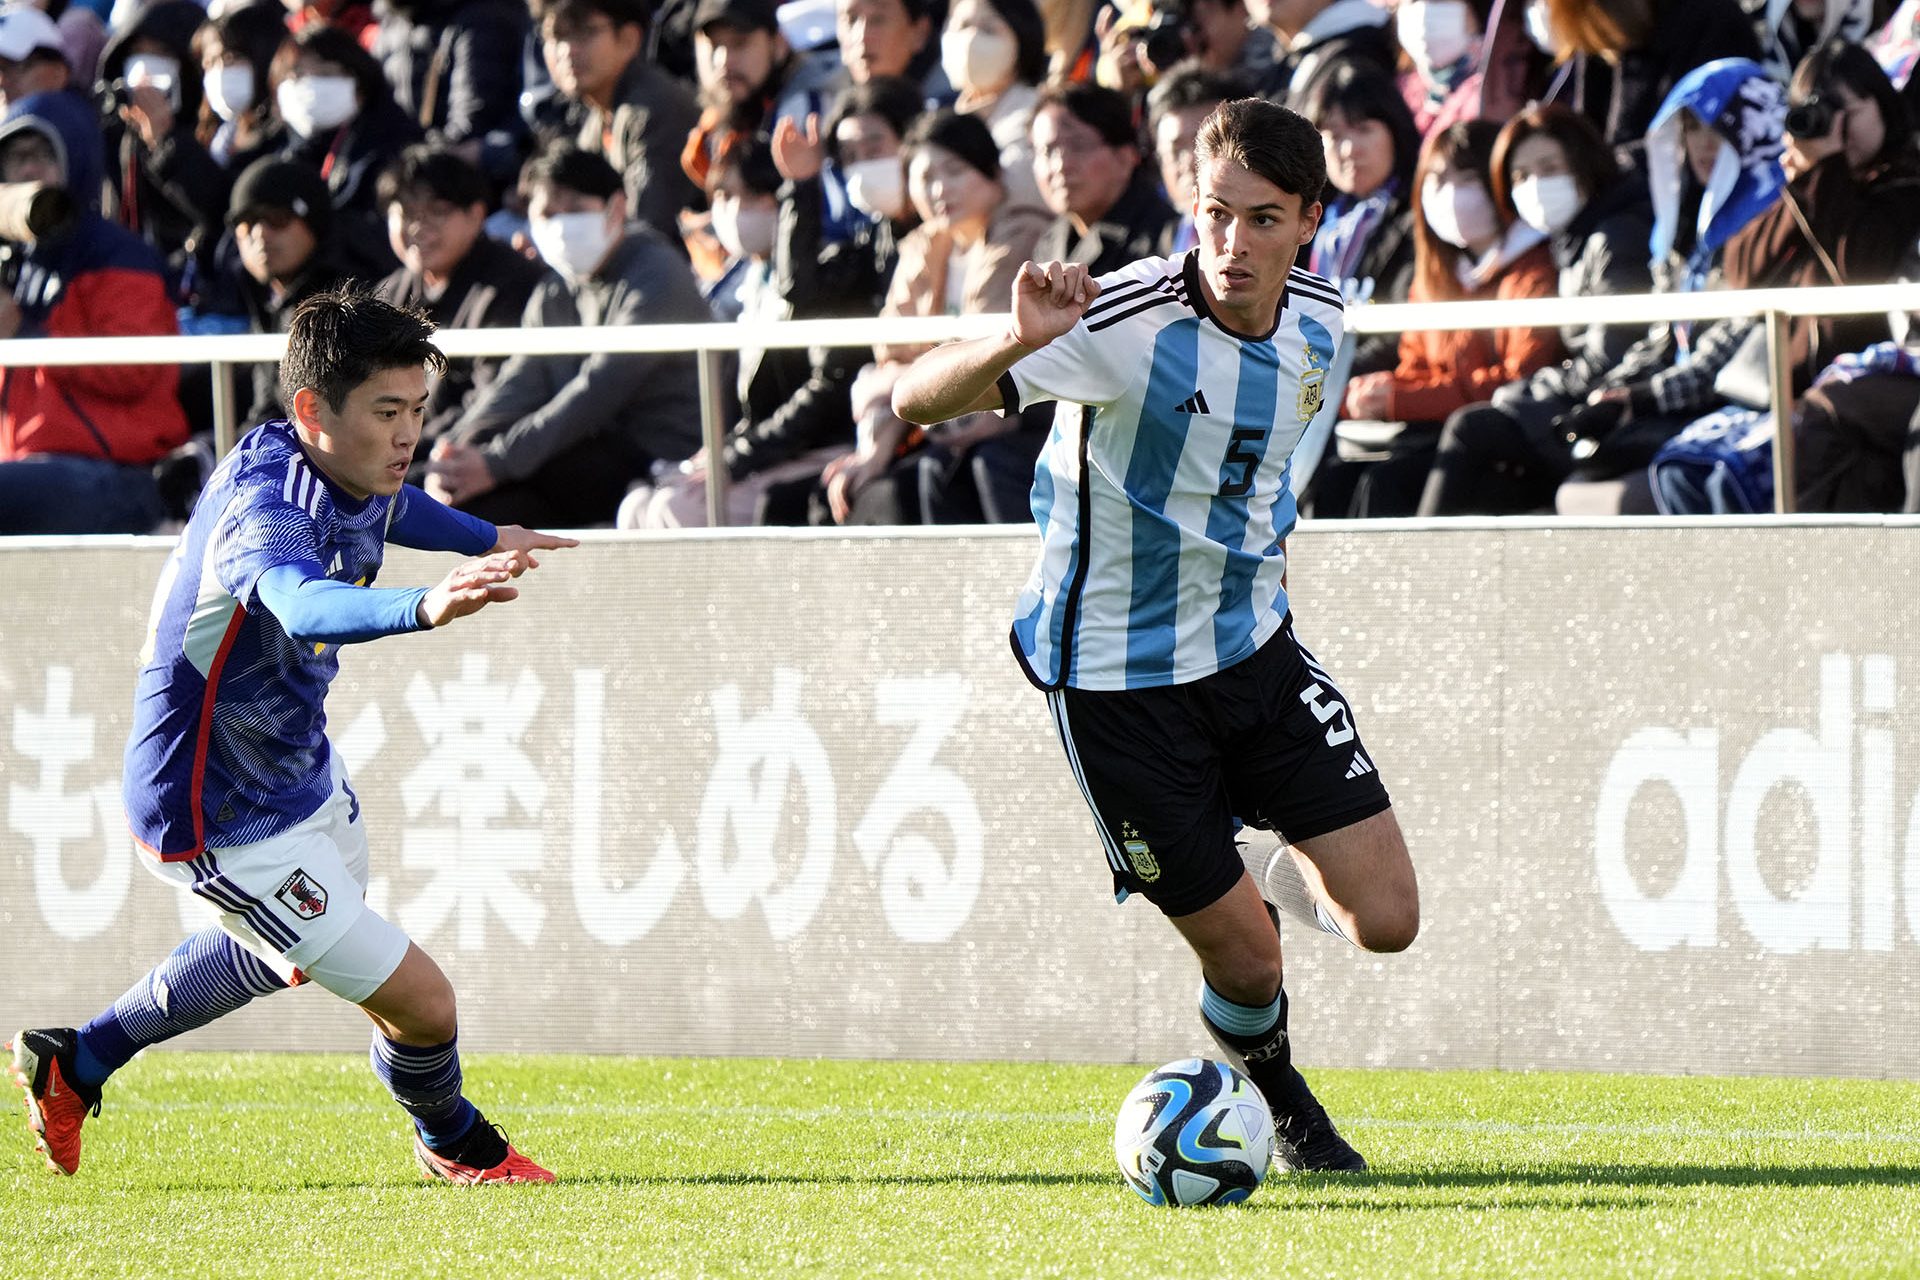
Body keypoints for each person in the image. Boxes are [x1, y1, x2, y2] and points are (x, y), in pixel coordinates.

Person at [892, 97, 1419, 1172]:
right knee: (1252, 967)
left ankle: (1269, 860)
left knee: (1388, 918)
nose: (1232, 244)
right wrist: (1013, 337)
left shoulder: (1323, 319)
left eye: (1263, 219)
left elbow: (1269, 467)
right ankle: (1286, 1107)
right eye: (1215, 214)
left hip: (1254, 656)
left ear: (1310, 220)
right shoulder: (1122, 324)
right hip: (1115, 687)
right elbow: (914, 399)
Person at [6, 288, 578, 1183]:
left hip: (294, 773)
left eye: (417, 412)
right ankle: (455, 1143)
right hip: (215, 811)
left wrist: (480, 531)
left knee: (287, 957)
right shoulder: (266, 509)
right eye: (388, 413)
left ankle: (75, 1062)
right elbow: (304, 601)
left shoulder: (341, 461)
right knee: (426, 1004)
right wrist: (423, 604)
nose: (407, 438)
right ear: (313, 410)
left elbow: (391, 507)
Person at [425, 144, 709, 527]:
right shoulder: (557, 288)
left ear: (617, 208)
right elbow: (520, 379)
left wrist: (495, 463)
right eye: (546, 215)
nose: (559, 227)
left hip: (654, 452)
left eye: (574, 210)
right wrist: (455, 451)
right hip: (578, 443)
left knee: (490, 510)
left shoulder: (657, 275)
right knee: (435, 494)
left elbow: (599, 388)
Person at [1314, 117, 1561, 518]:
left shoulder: (1534, 270)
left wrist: (1400, 398)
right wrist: (1379, 390)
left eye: (1466, 178)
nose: (1450, 196)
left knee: (1388, 485)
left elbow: (1520, 380)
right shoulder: (1435, 274)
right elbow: (1417, 365)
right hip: (1431, 433)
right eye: (1437, 180)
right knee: (1343, 479)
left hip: (1508, 448)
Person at [0, 90, 189, 534]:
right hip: (29, 464)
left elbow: (133, 369)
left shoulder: (118, 255)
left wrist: (26, 333)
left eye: (44, 155)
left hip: (122, 472)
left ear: (76, 159)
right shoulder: (14, 263)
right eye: (16, 158)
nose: (29, 170)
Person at [375, 145, 552, 478]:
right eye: (407, 213)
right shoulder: (389, 293)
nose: (417, 227)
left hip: (471, 459)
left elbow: (493, 400)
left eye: (437, 211)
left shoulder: (510, 284)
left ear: (476, 214)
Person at [227, 156, 350, 425]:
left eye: (277, 219)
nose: (260, 234)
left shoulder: (345, 304)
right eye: (247, 223)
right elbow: (268, 409)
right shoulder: (262, 296)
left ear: (313, 224)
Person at [1030, 82, 1176, 276]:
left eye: (1079, 146)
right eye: (1046, 151)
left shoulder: (1166, 241)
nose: (1061, 166)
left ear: (1125, 157)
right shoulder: (1050, 242)